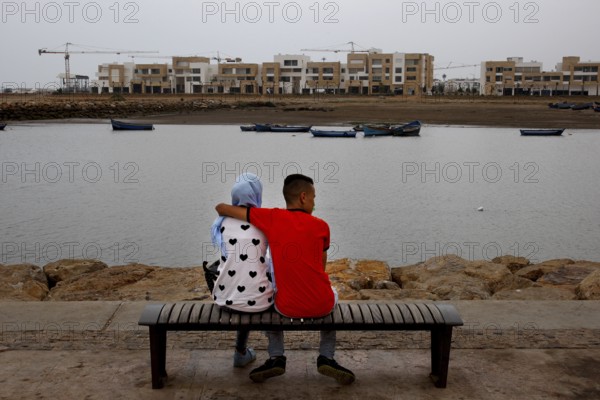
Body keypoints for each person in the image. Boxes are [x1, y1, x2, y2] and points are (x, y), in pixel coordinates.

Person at [215, 174, 355, 385]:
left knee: (270, 301)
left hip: (286, 307)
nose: (315, 203)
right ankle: (327, 357)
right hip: (321, 304)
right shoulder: (322, 226)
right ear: (303, 197)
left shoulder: (271, 218)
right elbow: (320, 266)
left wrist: (224, 208)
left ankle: (276, 356)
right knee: (331, 298)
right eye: (314, 197)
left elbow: (223, 208)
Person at [210, 172, 274, 368]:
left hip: (225, 298)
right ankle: (275, 354)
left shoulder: (221, 224)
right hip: (260, 302)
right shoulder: (265, 223)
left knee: (241, 281)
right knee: (266, 284)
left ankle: (240, 351)